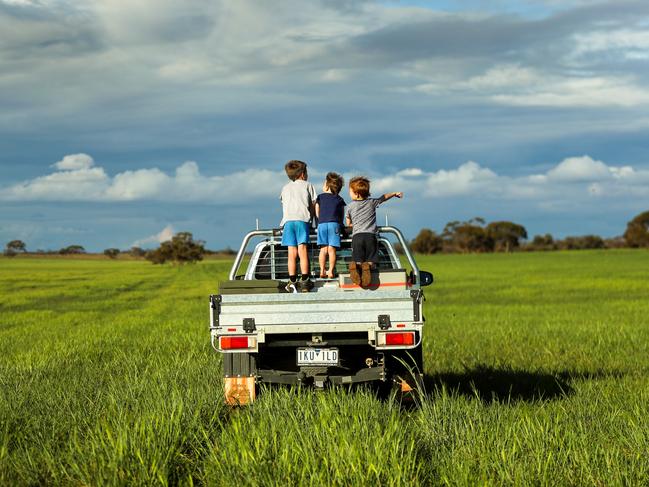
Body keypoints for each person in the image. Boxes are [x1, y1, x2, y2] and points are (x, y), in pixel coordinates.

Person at [346, 176, 402, 287]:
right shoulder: (372, 202)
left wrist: (355, 224)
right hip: (370, 236)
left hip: (357, 237)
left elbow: (348, 223)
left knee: (358, 259)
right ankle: (368, 266)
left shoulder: (350, 206)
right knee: (371, 260)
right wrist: (395, 193)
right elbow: (384, 197)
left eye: (350, 192)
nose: (349, 194)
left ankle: (356, 266)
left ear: (356, 194)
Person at [280, 160, 317, 292]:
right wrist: (313, 220)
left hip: (288, 222)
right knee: (302, 251)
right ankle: (305, 280)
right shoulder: (308, 185)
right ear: (302, 174)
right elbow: (313, 204)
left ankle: (292, 280)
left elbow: (283, 204)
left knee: (292, 253)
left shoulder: (285, 188)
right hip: (302, 220)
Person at [315, 172, 346, 279]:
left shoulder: (320, 197)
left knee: (323, 249)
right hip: (334, 224)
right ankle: (331, 271)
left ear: (327, 185)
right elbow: (342, 213)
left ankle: (322, 270)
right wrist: (340, 223)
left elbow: (317, 211)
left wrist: (320, 220)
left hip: (322, 224)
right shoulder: (339, 199)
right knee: (332, 249)